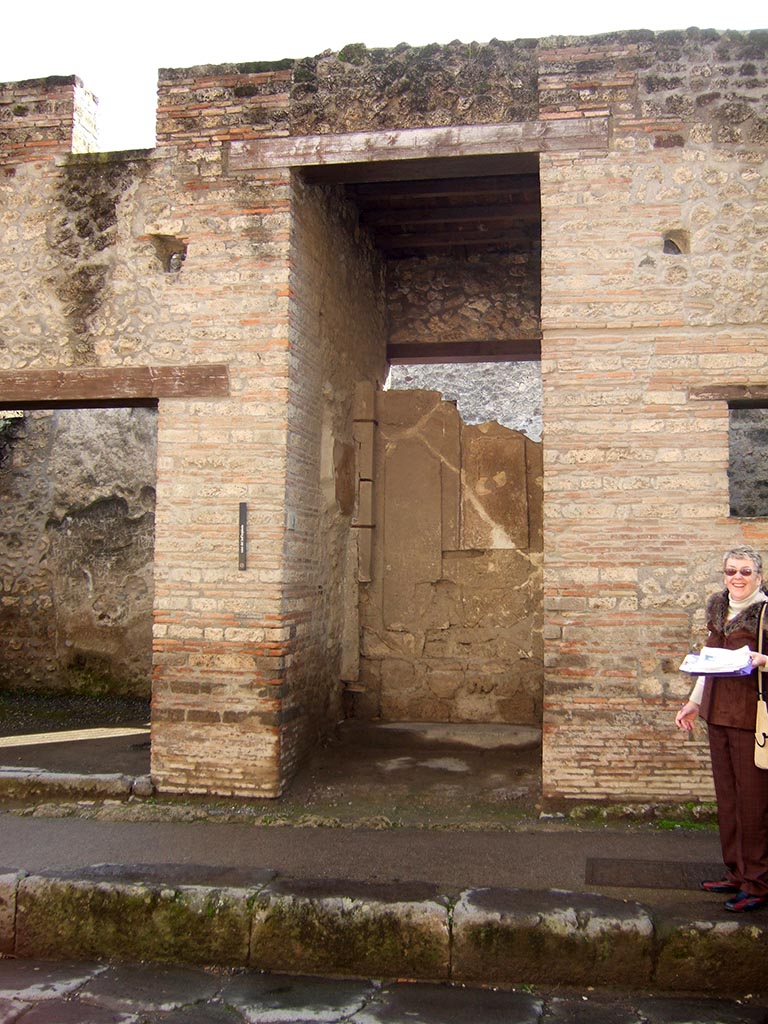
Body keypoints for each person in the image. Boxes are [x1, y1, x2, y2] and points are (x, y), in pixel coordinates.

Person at [676, 545, 768, 912]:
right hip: (718, 714)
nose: (737, 578)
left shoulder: (765, 613)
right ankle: (736, 872)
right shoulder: (718, 607)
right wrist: (695, 702)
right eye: (731, 571)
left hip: (751, 718)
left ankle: (758, 883)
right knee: (729, 800)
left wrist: (764, 659)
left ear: (758, 575)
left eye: (745, 571)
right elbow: (709, 660)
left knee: (754, 804)